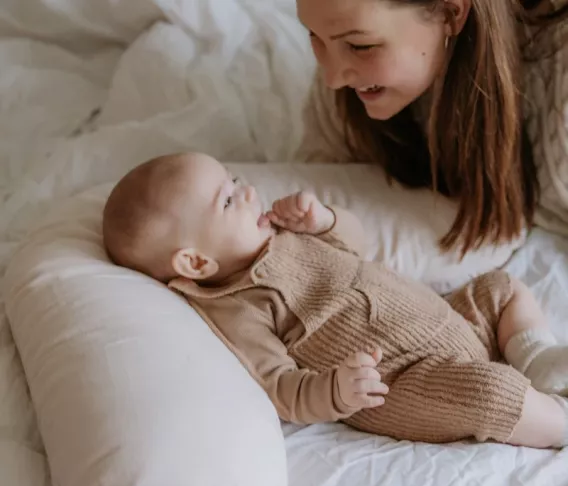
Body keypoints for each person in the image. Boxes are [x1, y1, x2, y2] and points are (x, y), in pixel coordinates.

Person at [103, 152, 568, 449]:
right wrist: (336, 392)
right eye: (227, 201)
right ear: (196, 263)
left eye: (236, 179)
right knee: (489, 394)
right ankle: (558, 421)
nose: (247, 192)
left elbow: (355, 248)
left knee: (499, 287)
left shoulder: (281, 231)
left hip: (445, 318)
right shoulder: (237, 306)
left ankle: (537, 358)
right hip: (401, 380)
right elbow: (279, 388)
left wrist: (326, 221)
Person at [297, 0, 568, 253]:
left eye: (360, 46)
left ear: (451, 13)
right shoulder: (346, 80)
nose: (332, 78)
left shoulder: (559, 100)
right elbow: (320, 182)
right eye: (313, 36)